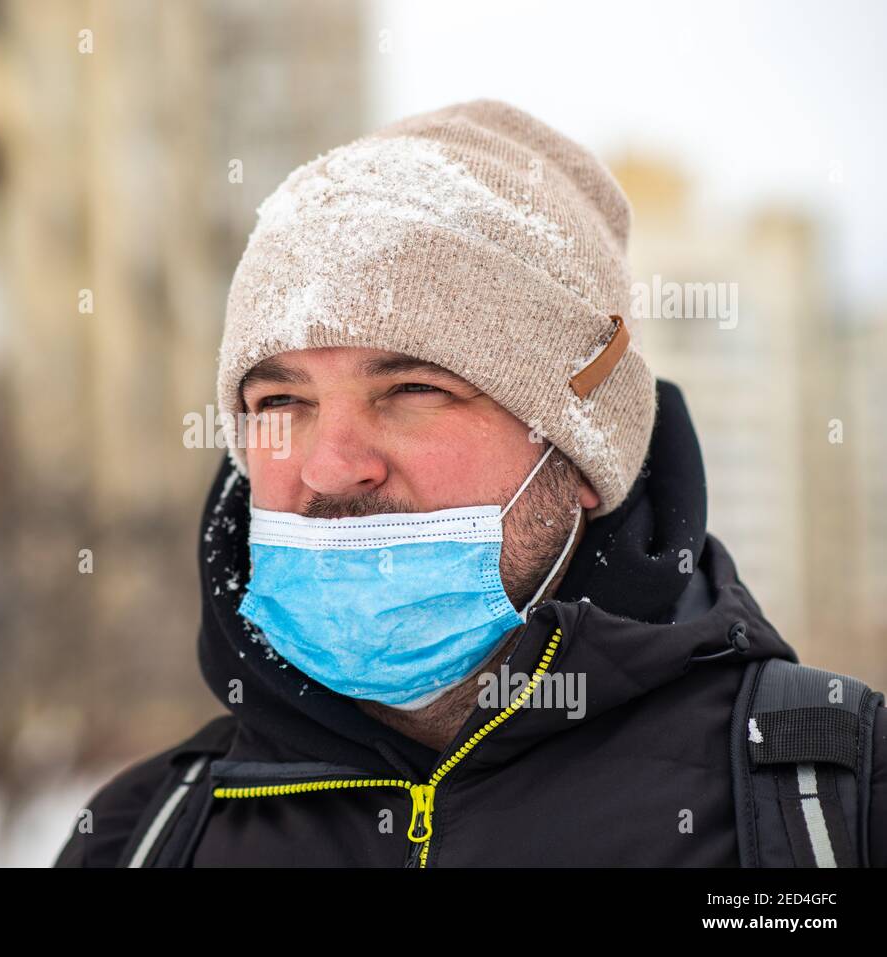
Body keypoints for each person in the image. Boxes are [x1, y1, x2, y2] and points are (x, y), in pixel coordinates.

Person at [55, 99, 887, 867]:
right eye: (281, 400)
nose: (332, 464)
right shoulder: (146, 835)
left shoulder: (831, 805)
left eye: (415, 390)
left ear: (582, 455)